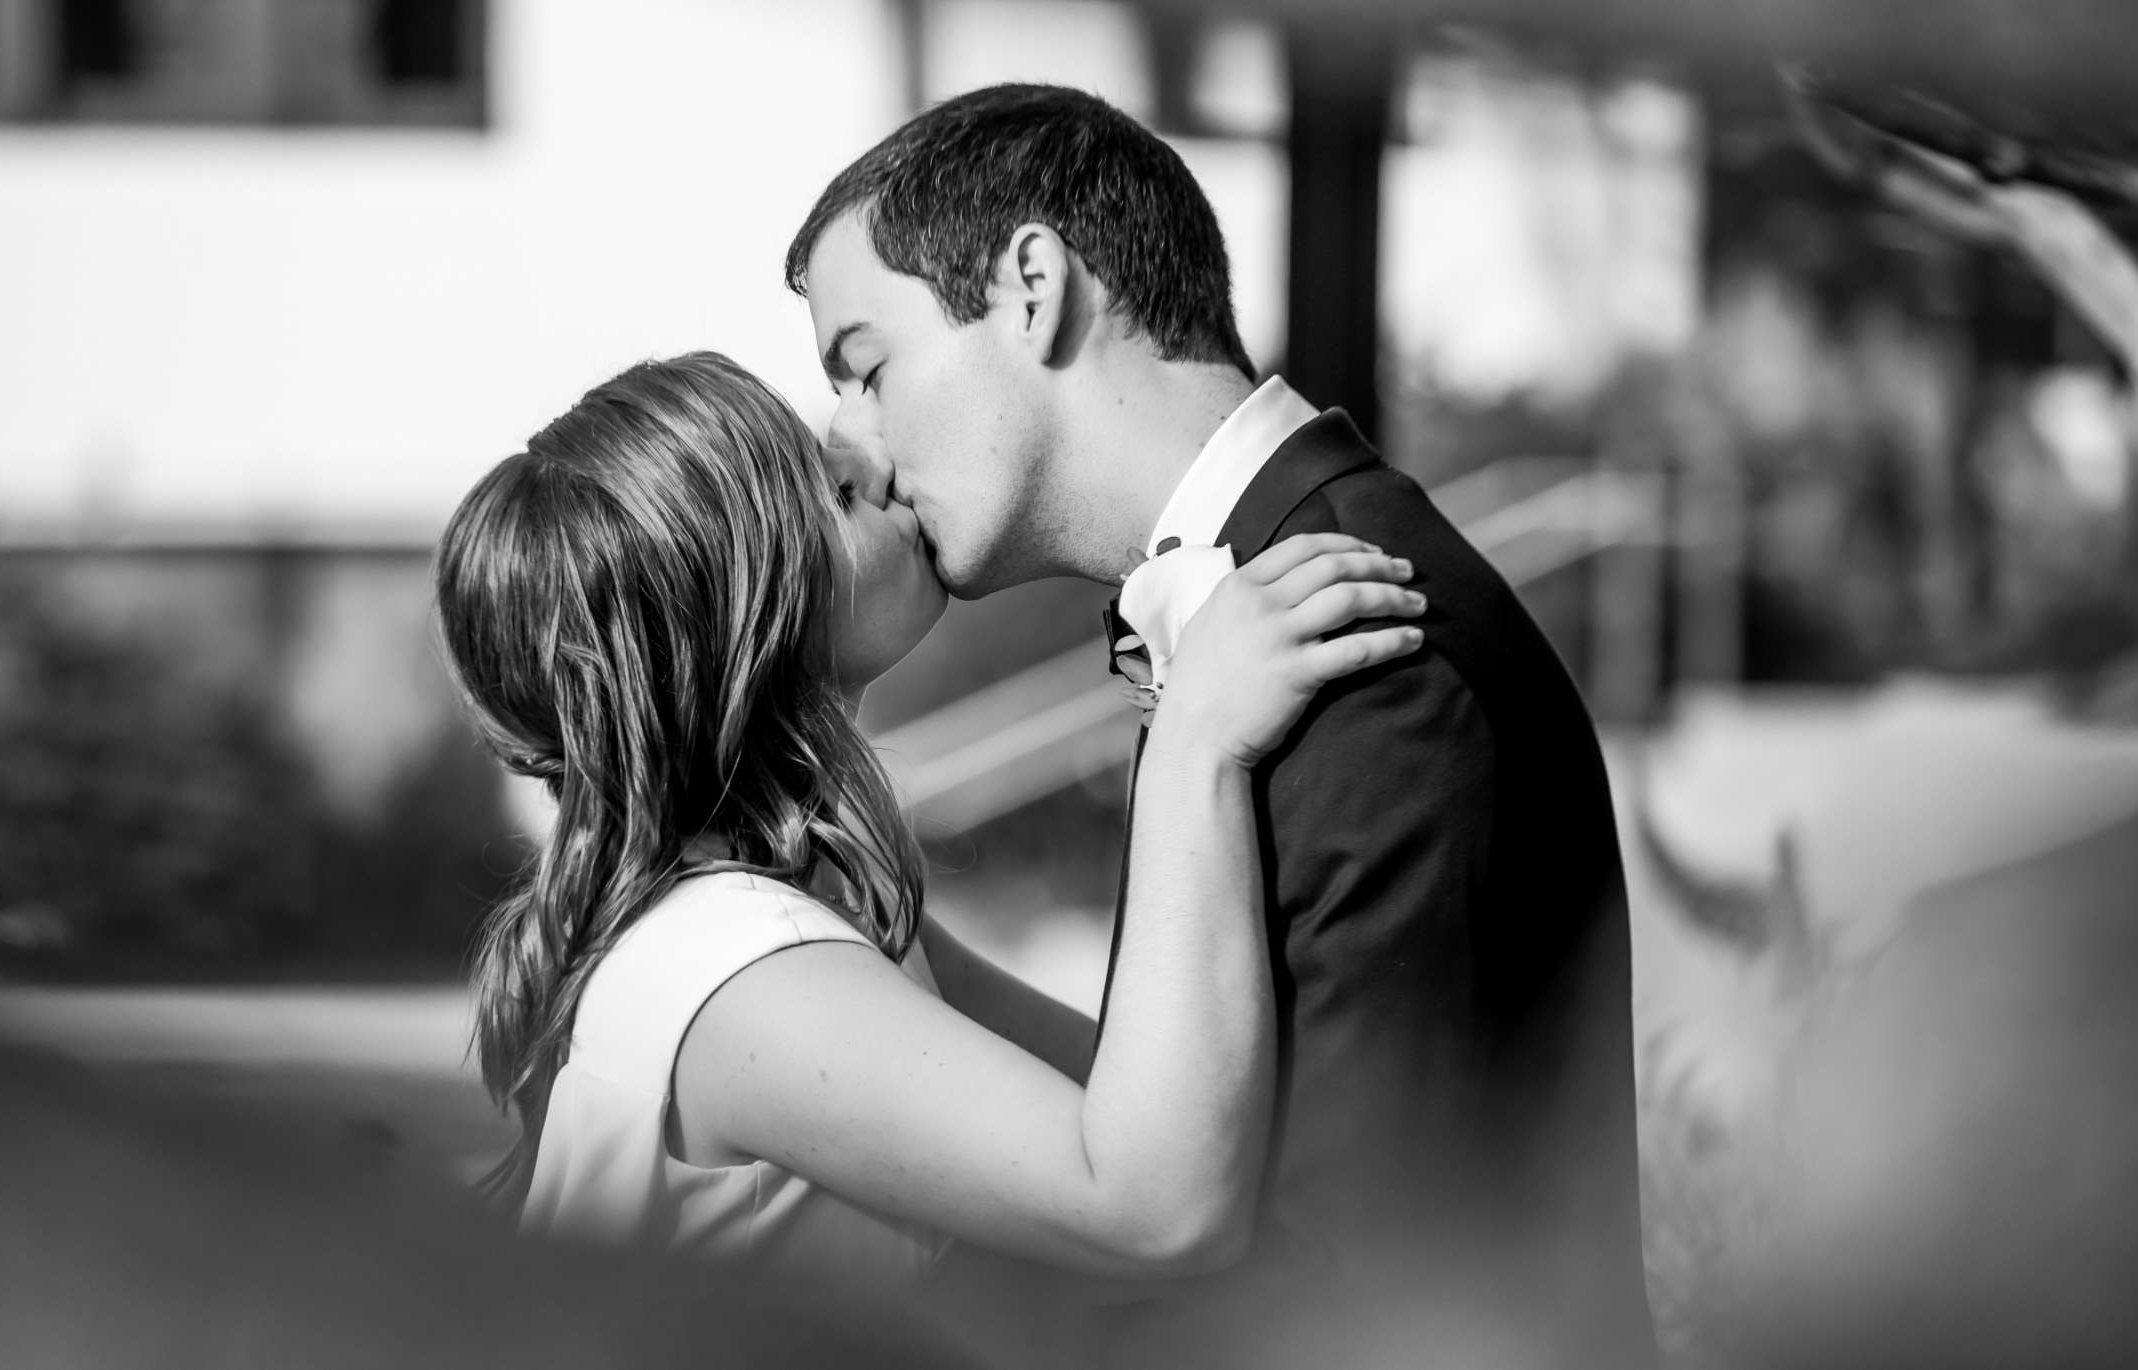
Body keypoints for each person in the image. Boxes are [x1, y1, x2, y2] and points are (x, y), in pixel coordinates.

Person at [786, 85, 1657, 1368]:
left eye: (867, 366)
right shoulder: (1259, 620)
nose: (849, 436)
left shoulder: (1364, 645)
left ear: (1034, 285)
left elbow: (1357, 1271)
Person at [434, 352, 1424, 1300]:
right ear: (742, 611)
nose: (876, 462)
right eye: (832, 489)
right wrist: (1193, 749)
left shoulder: (800, 909)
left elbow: (1136, 1095)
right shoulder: (745, 971)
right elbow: (1154, 1205)